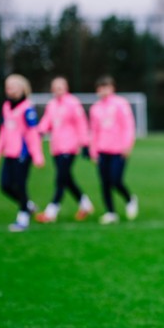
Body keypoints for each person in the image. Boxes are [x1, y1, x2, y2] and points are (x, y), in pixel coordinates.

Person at [35, 76, 95, 223]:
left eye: (60, 87)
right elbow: (47, 122)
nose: (57, 90)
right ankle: (85, 204)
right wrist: (38, 131)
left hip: (70, 146)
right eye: (55, 88)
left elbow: (81, 124)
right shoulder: (52, 105)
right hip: (56, 147)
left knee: (60, 179)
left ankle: (51, 212)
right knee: (67, 179)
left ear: (66, 88)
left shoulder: (73, 103)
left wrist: (85, 144)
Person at [0, 74, 45, 232]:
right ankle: (28, 205)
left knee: (21, 185)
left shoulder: (28, 108)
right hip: (9, 153)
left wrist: (37, 154)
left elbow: (32, 134)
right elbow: (3, 130)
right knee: (5, 185)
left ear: (22, 88)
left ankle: (23, 218)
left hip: (23, 153)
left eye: (13, 86)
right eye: (8, 87)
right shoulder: (6, 106)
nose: (10, 90)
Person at [89, 75, 138, 224]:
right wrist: (93, 150)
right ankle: (110, 212)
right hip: (102, 150)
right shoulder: (95, 108)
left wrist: (127, 145)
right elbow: (93, 131)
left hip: (119, 149)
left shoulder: (121, 104)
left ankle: (130, 199)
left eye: (106, 87)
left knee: (116, 180)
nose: (104, 91)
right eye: (101, 88)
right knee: (104, 182)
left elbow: (128, 126)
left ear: (112, 88)